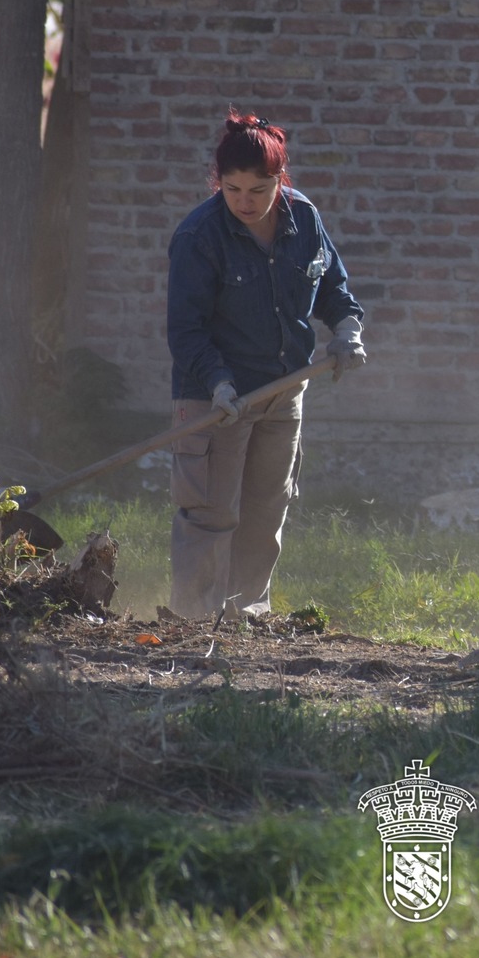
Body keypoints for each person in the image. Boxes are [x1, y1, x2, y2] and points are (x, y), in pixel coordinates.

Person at [165, 112, 367, 618]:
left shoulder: (305, 220)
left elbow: (333, 288)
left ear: (282, 180)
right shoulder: (199, 237)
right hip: (217, 397)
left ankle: (245, 621)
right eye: (232, 189)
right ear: (218, 183)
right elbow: (185, 329)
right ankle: (194, 625)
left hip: (283, 392)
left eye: (259, 189)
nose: (245, 202)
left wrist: (347, 331)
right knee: (211, 515)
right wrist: (218, 382)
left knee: (264, 514)